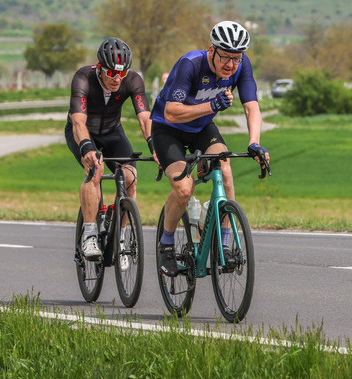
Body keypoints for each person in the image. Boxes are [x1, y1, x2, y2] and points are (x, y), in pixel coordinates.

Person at [150, 20, 270, 276]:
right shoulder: (190, 64)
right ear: (211, 49)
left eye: (236, 59)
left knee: (225, 171)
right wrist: (212, 106)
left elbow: (252, 107)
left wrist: (254, 143)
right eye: (225, 57)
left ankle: (225, 245)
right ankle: (167, 244)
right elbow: (171, 112)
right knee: (183, 189)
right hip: (167, 130)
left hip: (201, 129)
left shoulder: (241, 66)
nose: (231, 65)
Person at [66, 37, 153, 259]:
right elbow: (78, 121)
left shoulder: (133, 80)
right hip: (83, 132)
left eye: (122, 73)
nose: (117, 79)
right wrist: (86, 147)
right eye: (112, 73)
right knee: (95, 170)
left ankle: (121, 238)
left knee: (130, 177)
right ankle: (89, 234)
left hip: (113, 133)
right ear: (101, 68)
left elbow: (145, 118)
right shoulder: (83, 77)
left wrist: (155, 146)